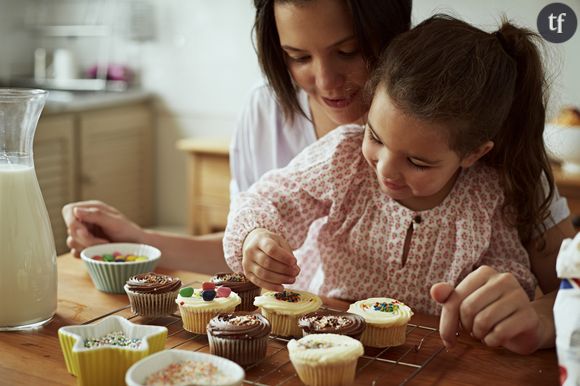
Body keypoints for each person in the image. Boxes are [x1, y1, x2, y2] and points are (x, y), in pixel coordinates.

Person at [223, 15, 577, 355]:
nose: (386, 170)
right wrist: (255, 237)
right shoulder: (343, 158)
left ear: (472, 153)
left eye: (418, 162)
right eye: (375, 136)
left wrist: (499, 303)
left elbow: (512, 271)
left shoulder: (489, 196)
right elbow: (269, 199)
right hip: (320, 339)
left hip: (429, 355)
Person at [61, 0, 412, 272]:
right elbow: (241, 250)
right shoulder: (265, 111)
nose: (325, 82)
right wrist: (140, 241)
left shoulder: (433, 117)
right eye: (299, 57)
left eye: (347, 52)